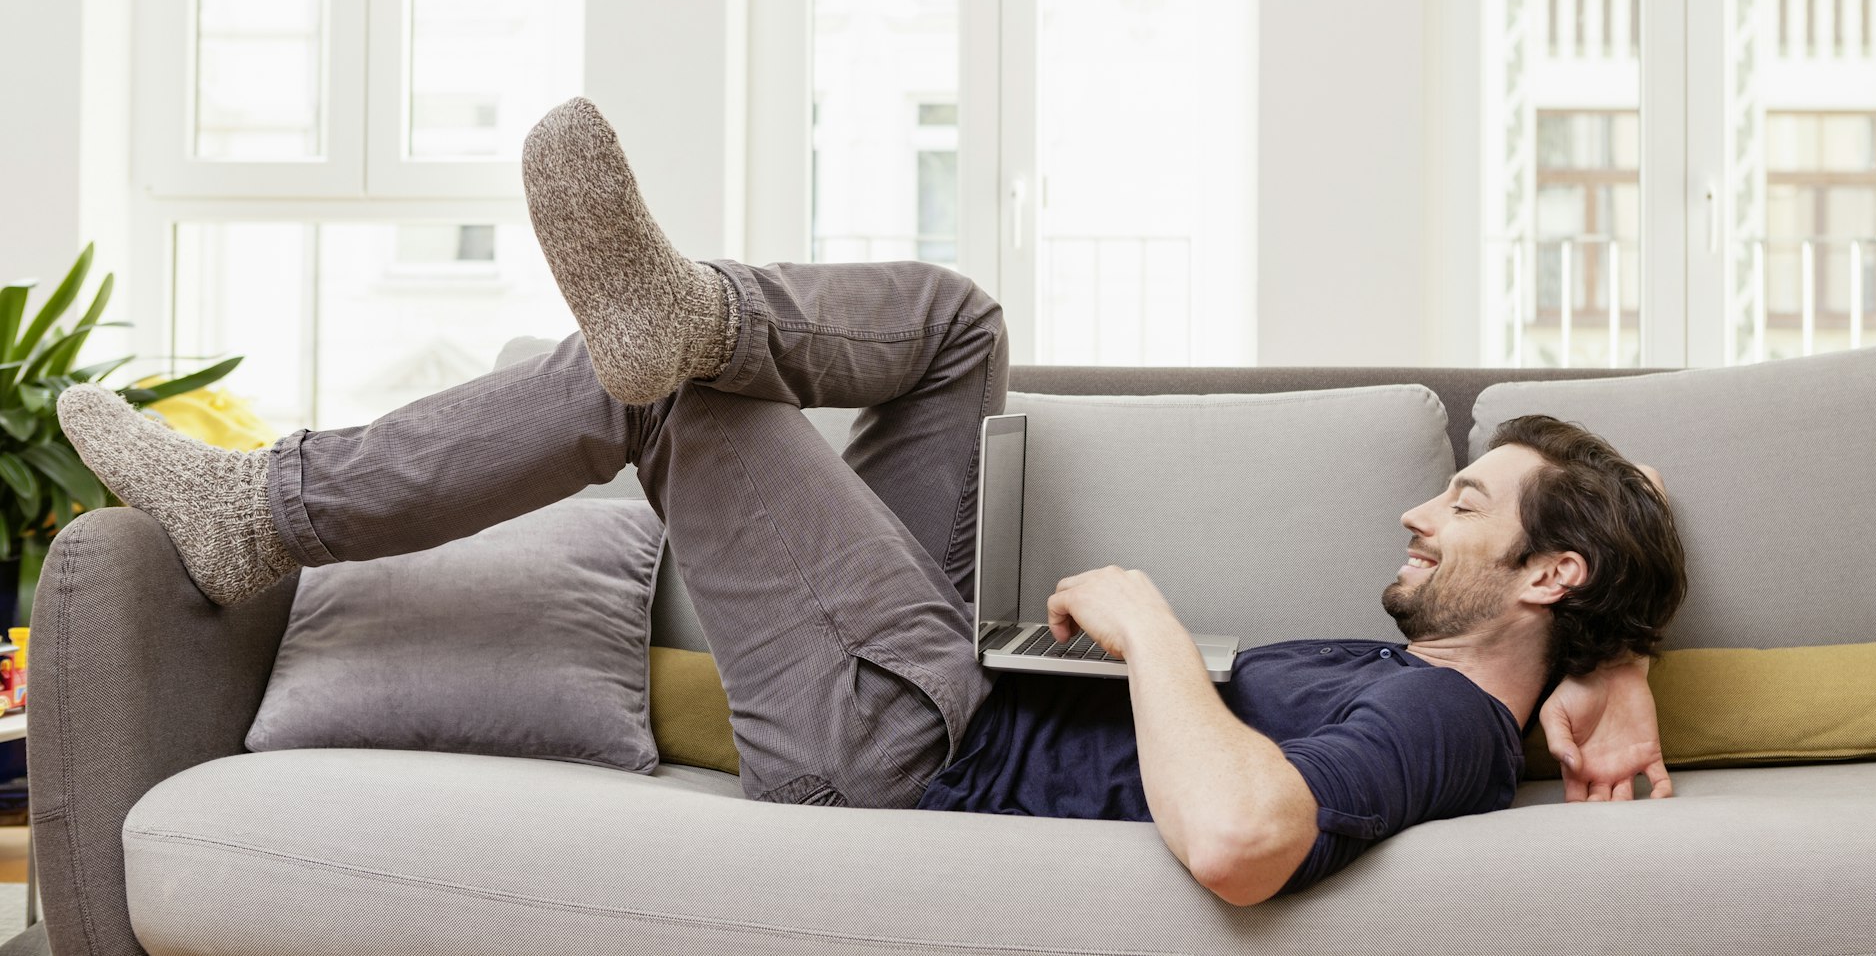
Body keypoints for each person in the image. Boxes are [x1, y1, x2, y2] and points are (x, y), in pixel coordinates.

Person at [57, 97, 1687, 906]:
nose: (1419, 513)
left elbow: (1248, 837)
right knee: (957, 323)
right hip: (944, 676)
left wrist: (1142, 623)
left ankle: (267, 507)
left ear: (1539, 569)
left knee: (672, 391)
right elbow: (1644, 502)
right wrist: (1615, 664)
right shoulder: (1494, 672)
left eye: (1461, 505)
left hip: (911, 747)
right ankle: (688, 313)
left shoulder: (1442, 732)